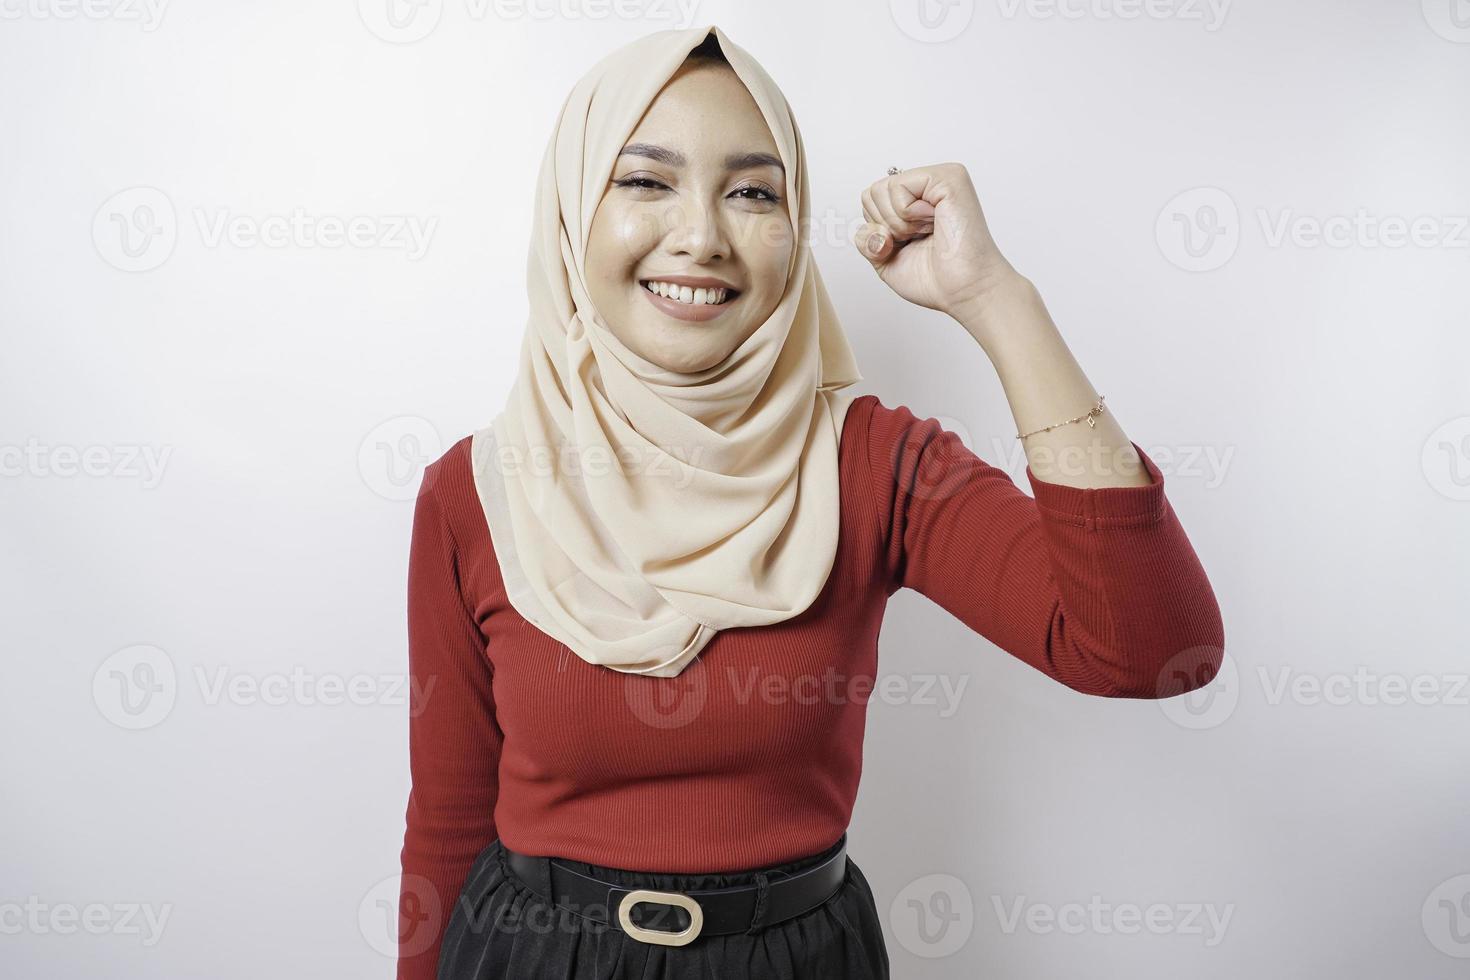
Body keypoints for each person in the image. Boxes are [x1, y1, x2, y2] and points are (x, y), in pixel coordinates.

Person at [397, 24, 1224, 980]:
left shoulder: (874, 462)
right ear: (571, 211)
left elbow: (1154, 650)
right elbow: (448, 820)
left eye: (753, 192)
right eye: (645, 181)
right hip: (528, 959)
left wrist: (994, 298)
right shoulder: (476, 491)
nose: (702, 236)